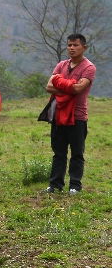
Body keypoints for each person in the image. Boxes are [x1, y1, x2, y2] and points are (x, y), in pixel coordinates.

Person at [44, 33, 95, 194]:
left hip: (78, 116)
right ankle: (55, 184)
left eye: (75, 45)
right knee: (58, 152)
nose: (71, 48)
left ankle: (75, 185)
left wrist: (61, 83)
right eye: (69, 45)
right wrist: (70, 86)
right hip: (59, 114)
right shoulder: (61, 65)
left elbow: (80, 89)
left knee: (77, 153)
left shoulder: (89, 68)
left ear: (84, 47)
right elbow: (48, 87)